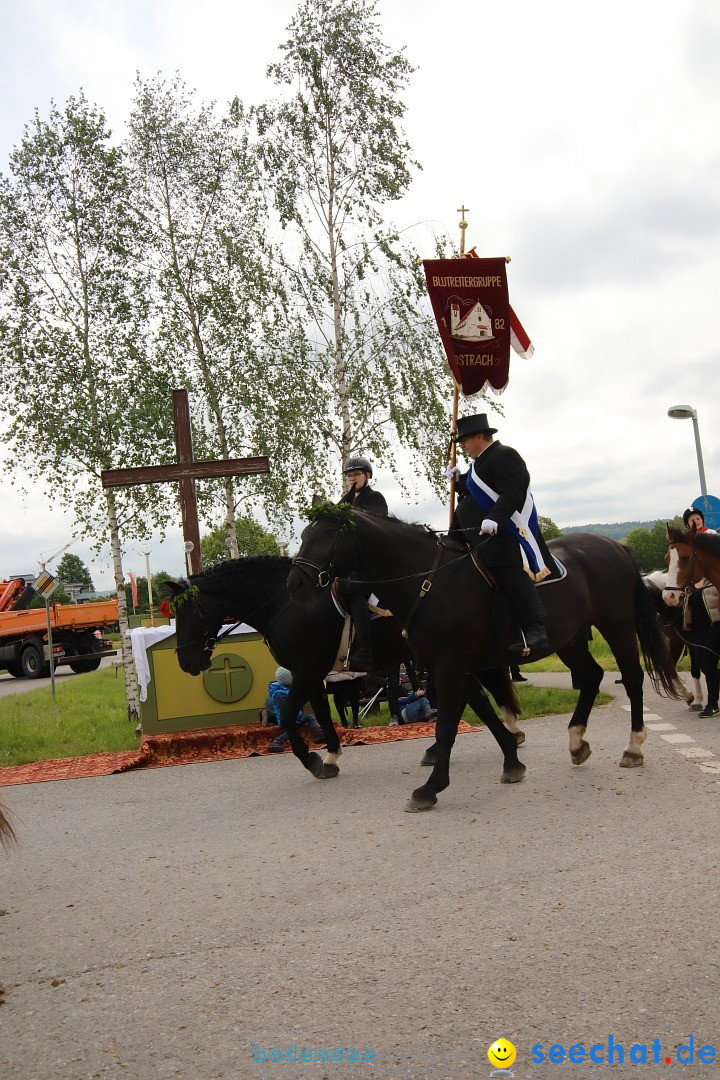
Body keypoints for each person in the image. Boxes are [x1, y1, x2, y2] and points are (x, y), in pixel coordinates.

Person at [448, 413, 553, 654]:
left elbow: (512, 493)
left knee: (504, 564)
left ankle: (535, 627)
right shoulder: (479, 464)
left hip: (505, 532)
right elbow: (475, 491)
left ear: (479, 436)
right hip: (471, 531)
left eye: (465, 440)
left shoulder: (505, 455)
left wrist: (494, 518)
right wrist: (459, 480)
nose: (463, 446)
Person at [337, 455, 389, 671]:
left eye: (356, 474)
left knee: (354, 590)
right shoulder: (346, 500)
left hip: (369, 563)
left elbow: (373, 529)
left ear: (367, 476)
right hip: (349, 563)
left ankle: (365, 650)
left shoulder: (375, 497)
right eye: (349, 475)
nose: (352, 479)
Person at [683, 579, 720, 718]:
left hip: (713, 627)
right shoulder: (691, 582)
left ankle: (712, 705)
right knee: (703, 665)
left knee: (709, 663)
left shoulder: (714, 577)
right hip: (696, 630)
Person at [265, 667, 326, 752]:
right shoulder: (281, 695)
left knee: (310, 717)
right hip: (289, 719)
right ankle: (276, 741)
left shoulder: (286, 689)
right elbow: (287, 710)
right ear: (289, 679)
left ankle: (317, 735)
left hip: (297, 716)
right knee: (290, 732)